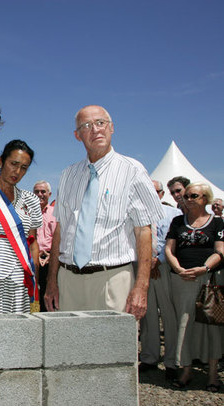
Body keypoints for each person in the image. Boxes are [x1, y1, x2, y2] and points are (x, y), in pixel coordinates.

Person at [44, 105, 163, 320]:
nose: (95, 130)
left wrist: (141, 288)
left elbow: (144, 231)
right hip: (68, 280)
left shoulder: (133, 170)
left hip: (113, 279)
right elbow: (60, 231)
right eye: (86, 126)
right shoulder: (68, 175)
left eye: (101, 123)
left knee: (113, 352)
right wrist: (52, 281)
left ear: (112, 128)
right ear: (77, 135)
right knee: (68, 351)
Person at [165, 183, 223, 391]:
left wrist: (204, 268)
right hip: (181, 279)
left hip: (207, 280)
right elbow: (169, 248)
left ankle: (213, 375)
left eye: (194, 196)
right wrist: (179, 269)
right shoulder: (178, 221)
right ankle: (186, 369)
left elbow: (220, 251)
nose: (188, 199)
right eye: (186, 195)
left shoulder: (217, 222)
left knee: (211, 326)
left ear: (205, 199)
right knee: (184, 324)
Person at [0, 140, 41, 313]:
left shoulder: (31, 200)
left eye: (24, 167)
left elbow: (33, 240)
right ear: (0, 161)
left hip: (21, 276)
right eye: (13, 164)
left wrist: (34, 273)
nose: (17, 171)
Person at [138, 180, 182, 381]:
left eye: (154, 191)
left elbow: (175, 241)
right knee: (146, 315)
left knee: (169, 315)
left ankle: (173, 361)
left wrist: (159, 260)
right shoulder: (136, 213)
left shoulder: (173, 215)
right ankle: (149, 357)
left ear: (161, 194)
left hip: (164, 267)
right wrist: (147, 262)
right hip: (143, 267)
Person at [33, 180, 56, 311]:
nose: (39, 194)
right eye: (36, 192)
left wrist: (50, 255)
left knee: (49, 297)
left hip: (51, 261)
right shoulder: (27, 213)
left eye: (43, 192)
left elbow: (60, 237)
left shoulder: (56, 213)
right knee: (34, 296)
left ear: (49, 194)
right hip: (33, 261)